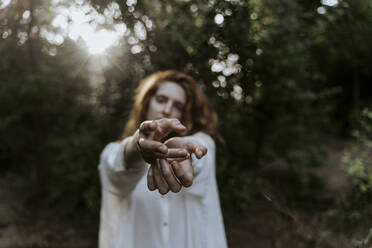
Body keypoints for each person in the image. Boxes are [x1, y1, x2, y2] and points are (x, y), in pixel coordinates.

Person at [98, 70, 227, 248]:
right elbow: (117, 167)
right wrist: (137, 146)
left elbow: (201, 157)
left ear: (183, 114)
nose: (167, 110)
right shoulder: (112, 152)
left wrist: (185, 154)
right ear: (146, 103)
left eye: (178, 106)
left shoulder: (203, 142)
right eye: (161, 100)